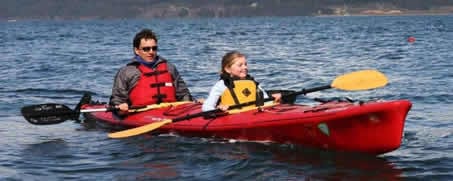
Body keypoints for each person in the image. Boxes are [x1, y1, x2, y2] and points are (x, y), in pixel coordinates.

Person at [110, 28, 193, 114]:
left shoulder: (170, 68)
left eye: (154, 48)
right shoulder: (126, 72)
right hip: (139, 114)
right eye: (146, 49)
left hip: (171, 112)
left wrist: (189, 105)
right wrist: (120, 108)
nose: (151, 52)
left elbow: (184, 94)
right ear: (136, 50)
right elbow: (117, 99)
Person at [202, 51, 281, 112]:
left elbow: (266, 101)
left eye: (245, 64)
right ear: (227, 69)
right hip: (230, 118)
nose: (245, 67)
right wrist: (219, 109)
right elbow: (206, 107)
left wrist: (274, 100)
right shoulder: (222, 85)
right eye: (240, 65)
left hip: (252, 115)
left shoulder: (253, 83)